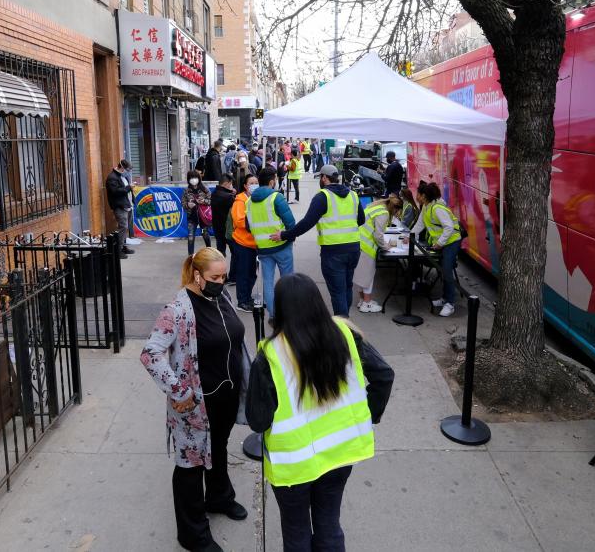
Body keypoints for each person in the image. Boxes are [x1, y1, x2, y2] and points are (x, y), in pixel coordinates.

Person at [246, 273, 393, 552]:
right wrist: (368, 414)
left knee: (296, 531)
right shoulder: (347, 334)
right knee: (328, 524)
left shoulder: (270, 355)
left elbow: (258, 419)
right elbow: (384, 375)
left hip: (294, 464)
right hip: (340, 453)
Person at [141, 248, 250, 552]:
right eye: (215, 277)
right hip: (194, 404)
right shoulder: (177, 309)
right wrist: (179, 391)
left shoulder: (220, 297)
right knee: (190, 466)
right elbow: (150, 354)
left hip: (226, 396)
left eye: (224, 276)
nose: (221, 281)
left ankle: (219, 498)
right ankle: (192, 533)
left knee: (218, 448)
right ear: (197, 275)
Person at [274, 165, 365, 317]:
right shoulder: (353, 195)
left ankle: (343, 328)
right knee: (347, 287)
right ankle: (346, 323)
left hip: (333, 252)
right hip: (353, 249)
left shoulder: (323, 196)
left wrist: (285, 235)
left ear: (324, 178)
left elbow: (307, 223)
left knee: (338, 291)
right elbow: (360, 220)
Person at [246, 167, 296, 316]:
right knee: (287, 280)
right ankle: (287, 314)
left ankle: (273, 315)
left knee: (267, 282)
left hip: (263, 248)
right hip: (281, 245)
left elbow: (248, 227)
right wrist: (289, 236)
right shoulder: (276, 197)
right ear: (272, 181)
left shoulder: (249, 201)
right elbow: (290, 222)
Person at [412, 182, 462, 317]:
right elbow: (420, 224)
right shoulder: (426, 206)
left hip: (451, 242)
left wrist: (440, 243)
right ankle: (445, 298)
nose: (416, 196)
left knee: (446, 270)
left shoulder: (437, 208)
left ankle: (450, 303)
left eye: (418, 194)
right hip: (442, 243)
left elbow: (449, 227)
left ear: (424, 196)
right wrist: (410, 236)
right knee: (442, 269)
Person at [354, 195, 403, 313]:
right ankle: (367, 304)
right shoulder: (384, 213)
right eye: (398, 212)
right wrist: (386, 246)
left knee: (361, 275)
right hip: (366, 246)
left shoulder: (376, 206)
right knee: (368, 276)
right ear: (395, 208)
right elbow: (378, 235)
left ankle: (362, 300)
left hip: (357, 242)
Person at [228, 172, 259, 311]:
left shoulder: (255, 199)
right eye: (251, 183)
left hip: (253, 244)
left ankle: (247, 297)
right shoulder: (240, 201)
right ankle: (242, 301)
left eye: (256, 183)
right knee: (244, 273)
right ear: (245, 186)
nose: (254, 185)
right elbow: (240, 221)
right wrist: (258, 225)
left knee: (251, 273)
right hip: (242, 243)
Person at [107, 159, 137, 256]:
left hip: (127, 205)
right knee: (123, 227)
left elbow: (126, 190)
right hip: (120, 206)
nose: (127, 172)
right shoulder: (112, 177)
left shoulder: (122, 177)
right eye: (126, 169)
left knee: (126, 227)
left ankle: (123, 247)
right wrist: (129, 187)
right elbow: (115, 192)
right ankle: (118, 250)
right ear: (121, 168)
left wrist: (132, 198)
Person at [210, 175, 237, 282]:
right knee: (235, 253)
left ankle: (222, 276)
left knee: (220, 253)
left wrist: (231, 193)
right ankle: (233, 276)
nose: (232, 186)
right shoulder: (228, 197)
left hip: (217, 228)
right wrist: (232, 194)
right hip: (228, 230)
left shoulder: (214, 193)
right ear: (226, 184)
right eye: (231, 184)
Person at [184, 170, 213, 255]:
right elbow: (183, 203)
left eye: (195, 177)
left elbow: (211, 201)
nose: (193, 180)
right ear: (188, 179)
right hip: (191, 218)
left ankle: (210, 253)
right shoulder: (186, 191)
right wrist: (188, 205)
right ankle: (190, 256)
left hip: (203, 218)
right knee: (190, 237)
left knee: (205, 235)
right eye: (191, 178)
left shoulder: (205, 189)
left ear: (199, 178)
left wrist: (204, 201)